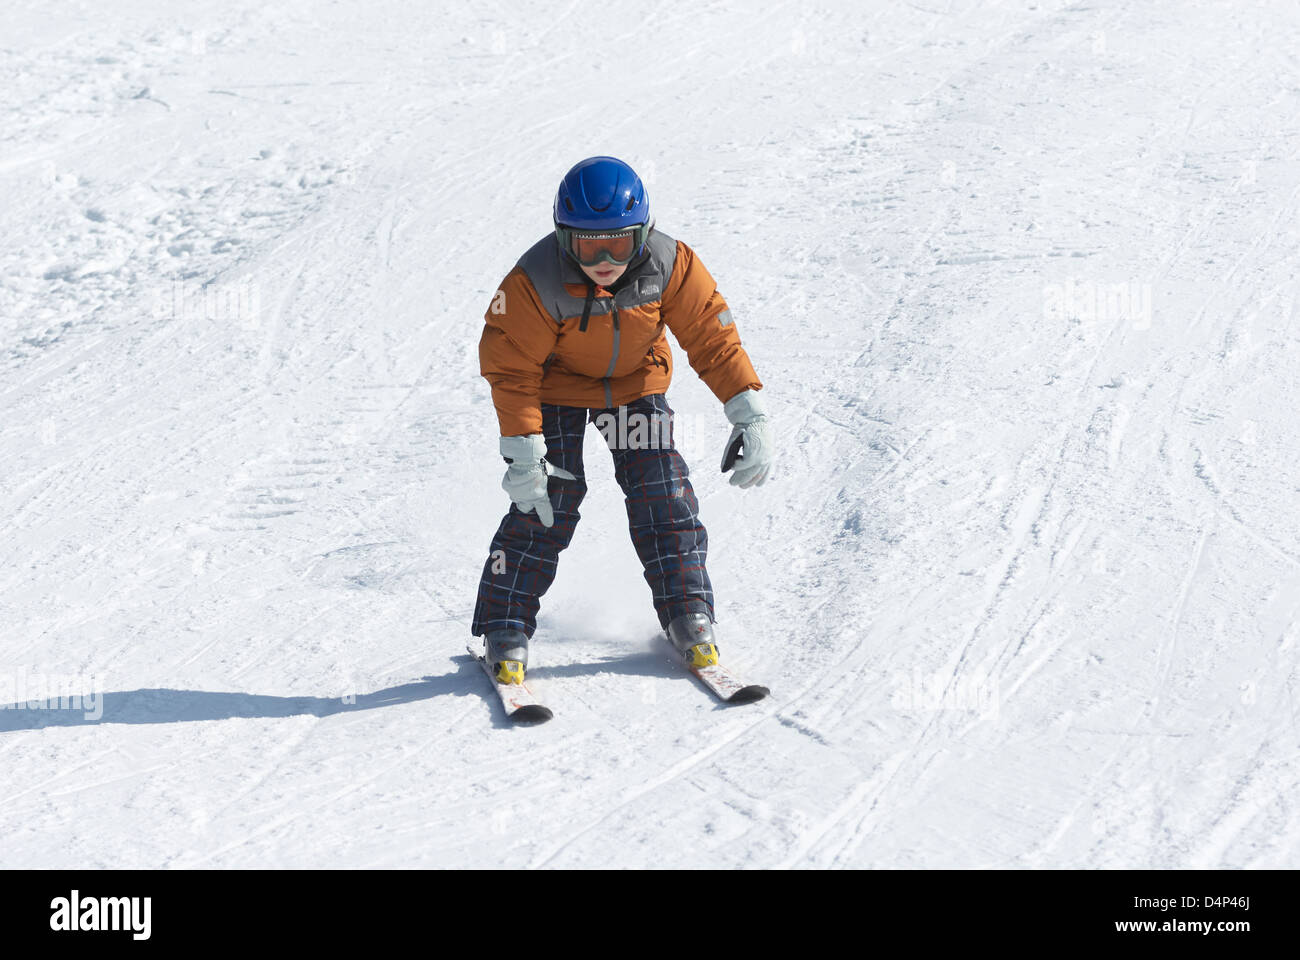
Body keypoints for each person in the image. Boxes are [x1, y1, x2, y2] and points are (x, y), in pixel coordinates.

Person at [472, 156, 773, 685]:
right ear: (565, 238)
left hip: (635, 385)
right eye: (590, 246)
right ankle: (506, 621)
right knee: (547, 500)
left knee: (663, 493)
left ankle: (689, 613)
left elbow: (711, 336)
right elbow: (512, 369)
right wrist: (524, 453)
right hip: (554, 388)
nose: (607, 259)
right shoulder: (533, 282)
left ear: (645, 233)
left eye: (621, 242)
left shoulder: (669, 264)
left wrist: (749, 412)